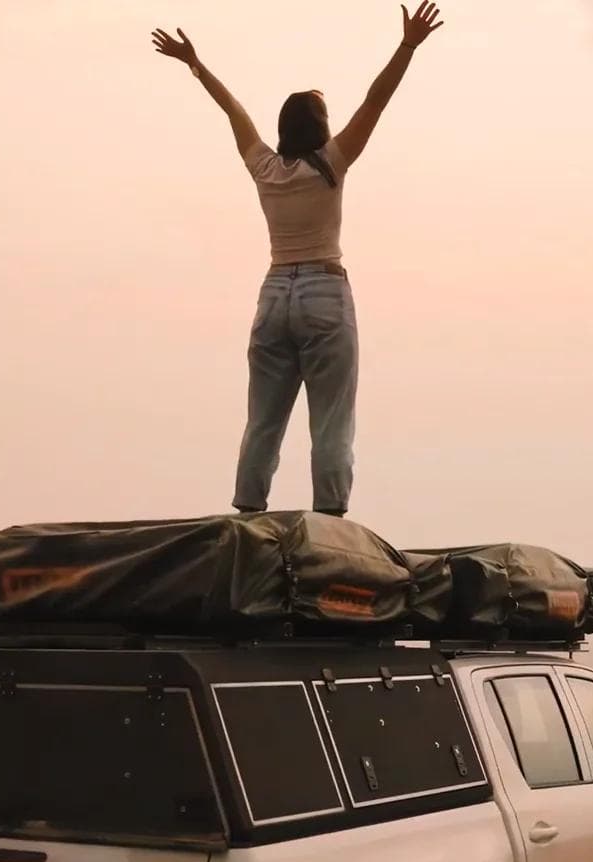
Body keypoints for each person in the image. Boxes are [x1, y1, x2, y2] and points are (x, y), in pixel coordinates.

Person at [152, 4, 445, 518]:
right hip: (323, 293)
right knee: (331, 420)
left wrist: (195, 64)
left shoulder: (265, 166)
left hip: (272, 297)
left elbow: (234, 111)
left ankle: (248, 516)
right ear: (320, 128)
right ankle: (329, 520)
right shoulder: (331, 164)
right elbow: (376, 102)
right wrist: (407, 47)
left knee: (263, 420)